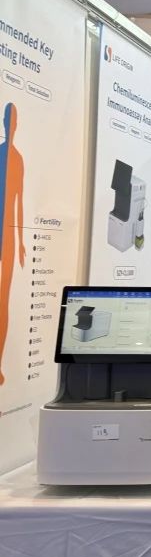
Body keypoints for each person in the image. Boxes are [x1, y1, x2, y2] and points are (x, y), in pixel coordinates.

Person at [0, 103, 26, 387]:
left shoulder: (17, 159)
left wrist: (20, 241)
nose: (11, 125)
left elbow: (19, 203)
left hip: (8, 238)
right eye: (8, 120)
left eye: (14, 120)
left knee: (3, 303)